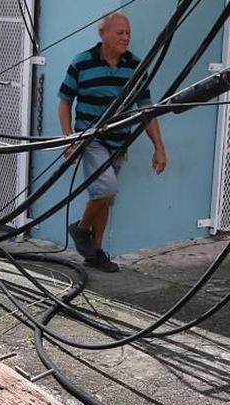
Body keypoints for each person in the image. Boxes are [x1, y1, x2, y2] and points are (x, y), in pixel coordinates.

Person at [57, 11, 167, 273]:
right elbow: (64, 102)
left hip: (120, 142)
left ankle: (94, 252)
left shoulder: (136, 66)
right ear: (103, 34)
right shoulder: (82, 62)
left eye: (128, 33)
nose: (126, 37)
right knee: (106, 190)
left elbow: (146, 111)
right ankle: (81, 229)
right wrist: (68, 138)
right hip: (90, 139)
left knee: (105, 198)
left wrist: (159, 148)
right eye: (120, 33)